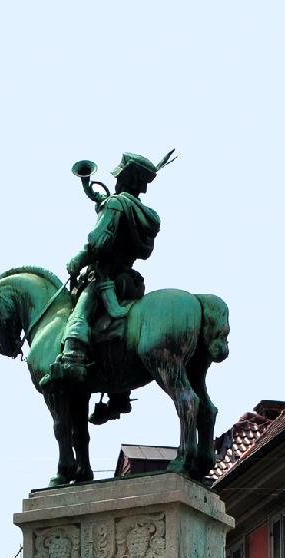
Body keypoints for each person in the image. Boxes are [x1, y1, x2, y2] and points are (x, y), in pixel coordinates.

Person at [44, 150, 174, 398]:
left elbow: (97, 243)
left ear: (125, 179)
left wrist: (77, 260)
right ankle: (118, 396)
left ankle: (73, 359)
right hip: (130, 282)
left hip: (105, 280)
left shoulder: (115, 205)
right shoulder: (144, 213)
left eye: (119, 176)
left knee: (78, 314)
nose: (114, 181)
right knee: (117, 336)